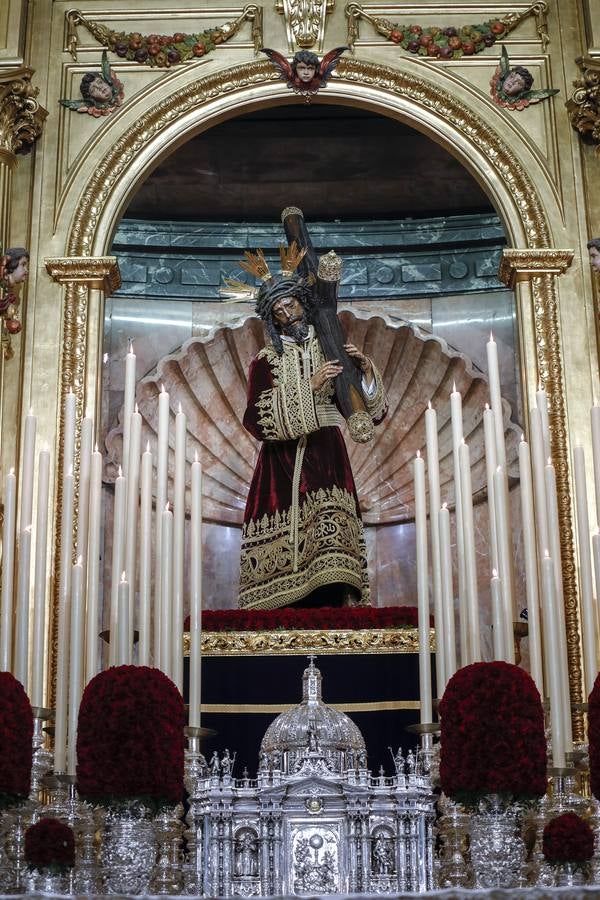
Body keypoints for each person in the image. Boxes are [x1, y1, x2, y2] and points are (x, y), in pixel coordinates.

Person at [238, 225, 386, 611]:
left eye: (292, 305)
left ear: (304, 303)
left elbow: (364, 413)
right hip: (281, 466)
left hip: (327, 455)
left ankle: (335, 601)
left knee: (332, 555)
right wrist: (308, 385)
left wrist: (364, 372)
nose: (288, 314)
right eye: (279, 311)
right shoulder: (267, 360)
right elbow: (256, 418)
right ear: (272, 319)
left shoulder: (329, 348)